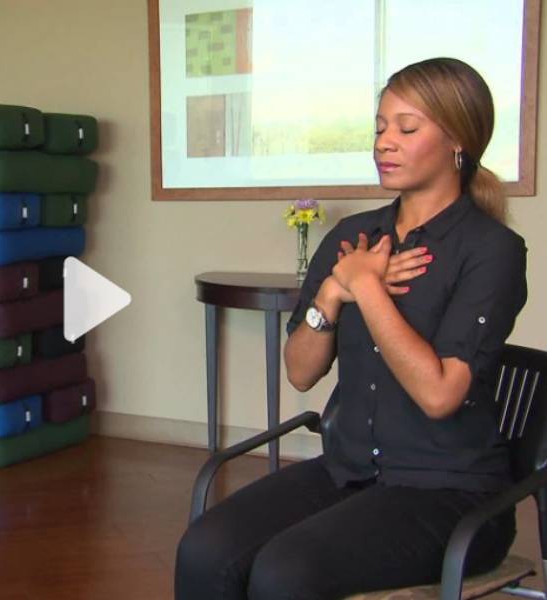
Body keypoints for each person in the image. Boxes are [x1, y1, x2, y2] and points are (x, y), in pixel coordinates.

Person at [175, 57, 527, 599]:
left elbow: (439, 395)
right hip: (347, 469)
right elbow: (299, 371)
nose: (385, 142)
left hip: (449, 493)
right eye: (381, 127)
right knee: (203, 548)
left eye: (407, 128)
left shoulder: (491, 251)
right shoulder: (353, 236)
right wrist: (332, 292)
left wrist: (364, 287)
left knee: (285, 572)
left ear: (459, 139)